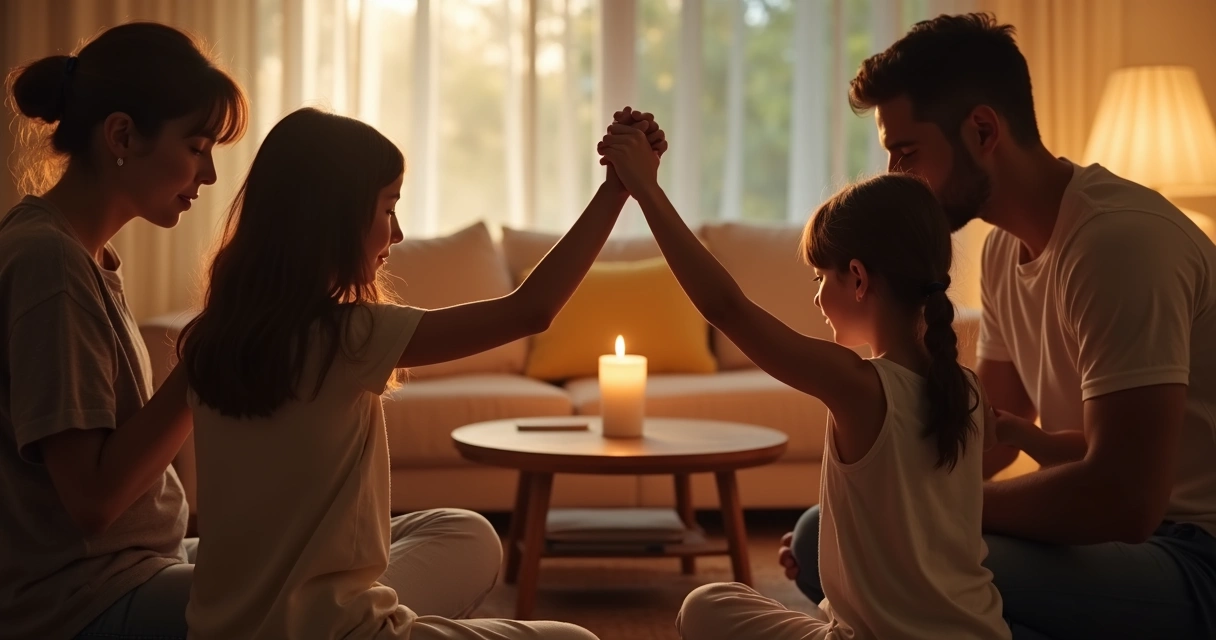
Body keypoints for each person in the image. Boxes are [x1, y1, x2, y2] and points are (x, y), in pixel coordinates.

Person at [781, 13, 1216, 639]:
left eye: (906, 154)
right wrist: (881, 490)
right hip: (1120, 549)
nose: (894, 178)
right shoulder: (1001, 253)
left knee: (873, 553)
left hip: (1189, 556)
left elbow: (1125, 500)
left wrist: (932, 511)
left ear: (983, 130)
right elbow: (984, 442)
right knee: (827, 534)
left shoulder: (1119, 244)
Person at [175, 106, 667, 639]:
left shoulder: (210, 338)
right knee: (578, 639)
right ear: (333, 219)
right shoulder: (348, 334)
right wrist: (617, 191)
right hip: (336, 634)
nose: (400, 232)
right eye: (388, 209)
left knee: (464, 530)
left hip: (225, 632)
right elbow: (531, 310)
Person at [599, 120, 1010, 638]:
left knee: (705, 605)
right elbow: (931, 498)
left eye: (821, 277)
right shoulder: (967, 389)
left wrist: (646, 189)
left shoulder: (860, 385)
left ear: (858, 278)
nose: (817, 297)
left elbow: (727, 308)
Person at [0, 22, 248, 639]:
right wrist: (203, 366)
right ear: (122, 135)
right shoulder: (48, 263)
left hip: (141, 568)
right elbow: (93, 502)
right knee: (344, 593)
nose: (210, 175)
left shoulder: (80, 256)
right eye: (196, 146)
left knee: (452, 532)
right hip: (83, 602)